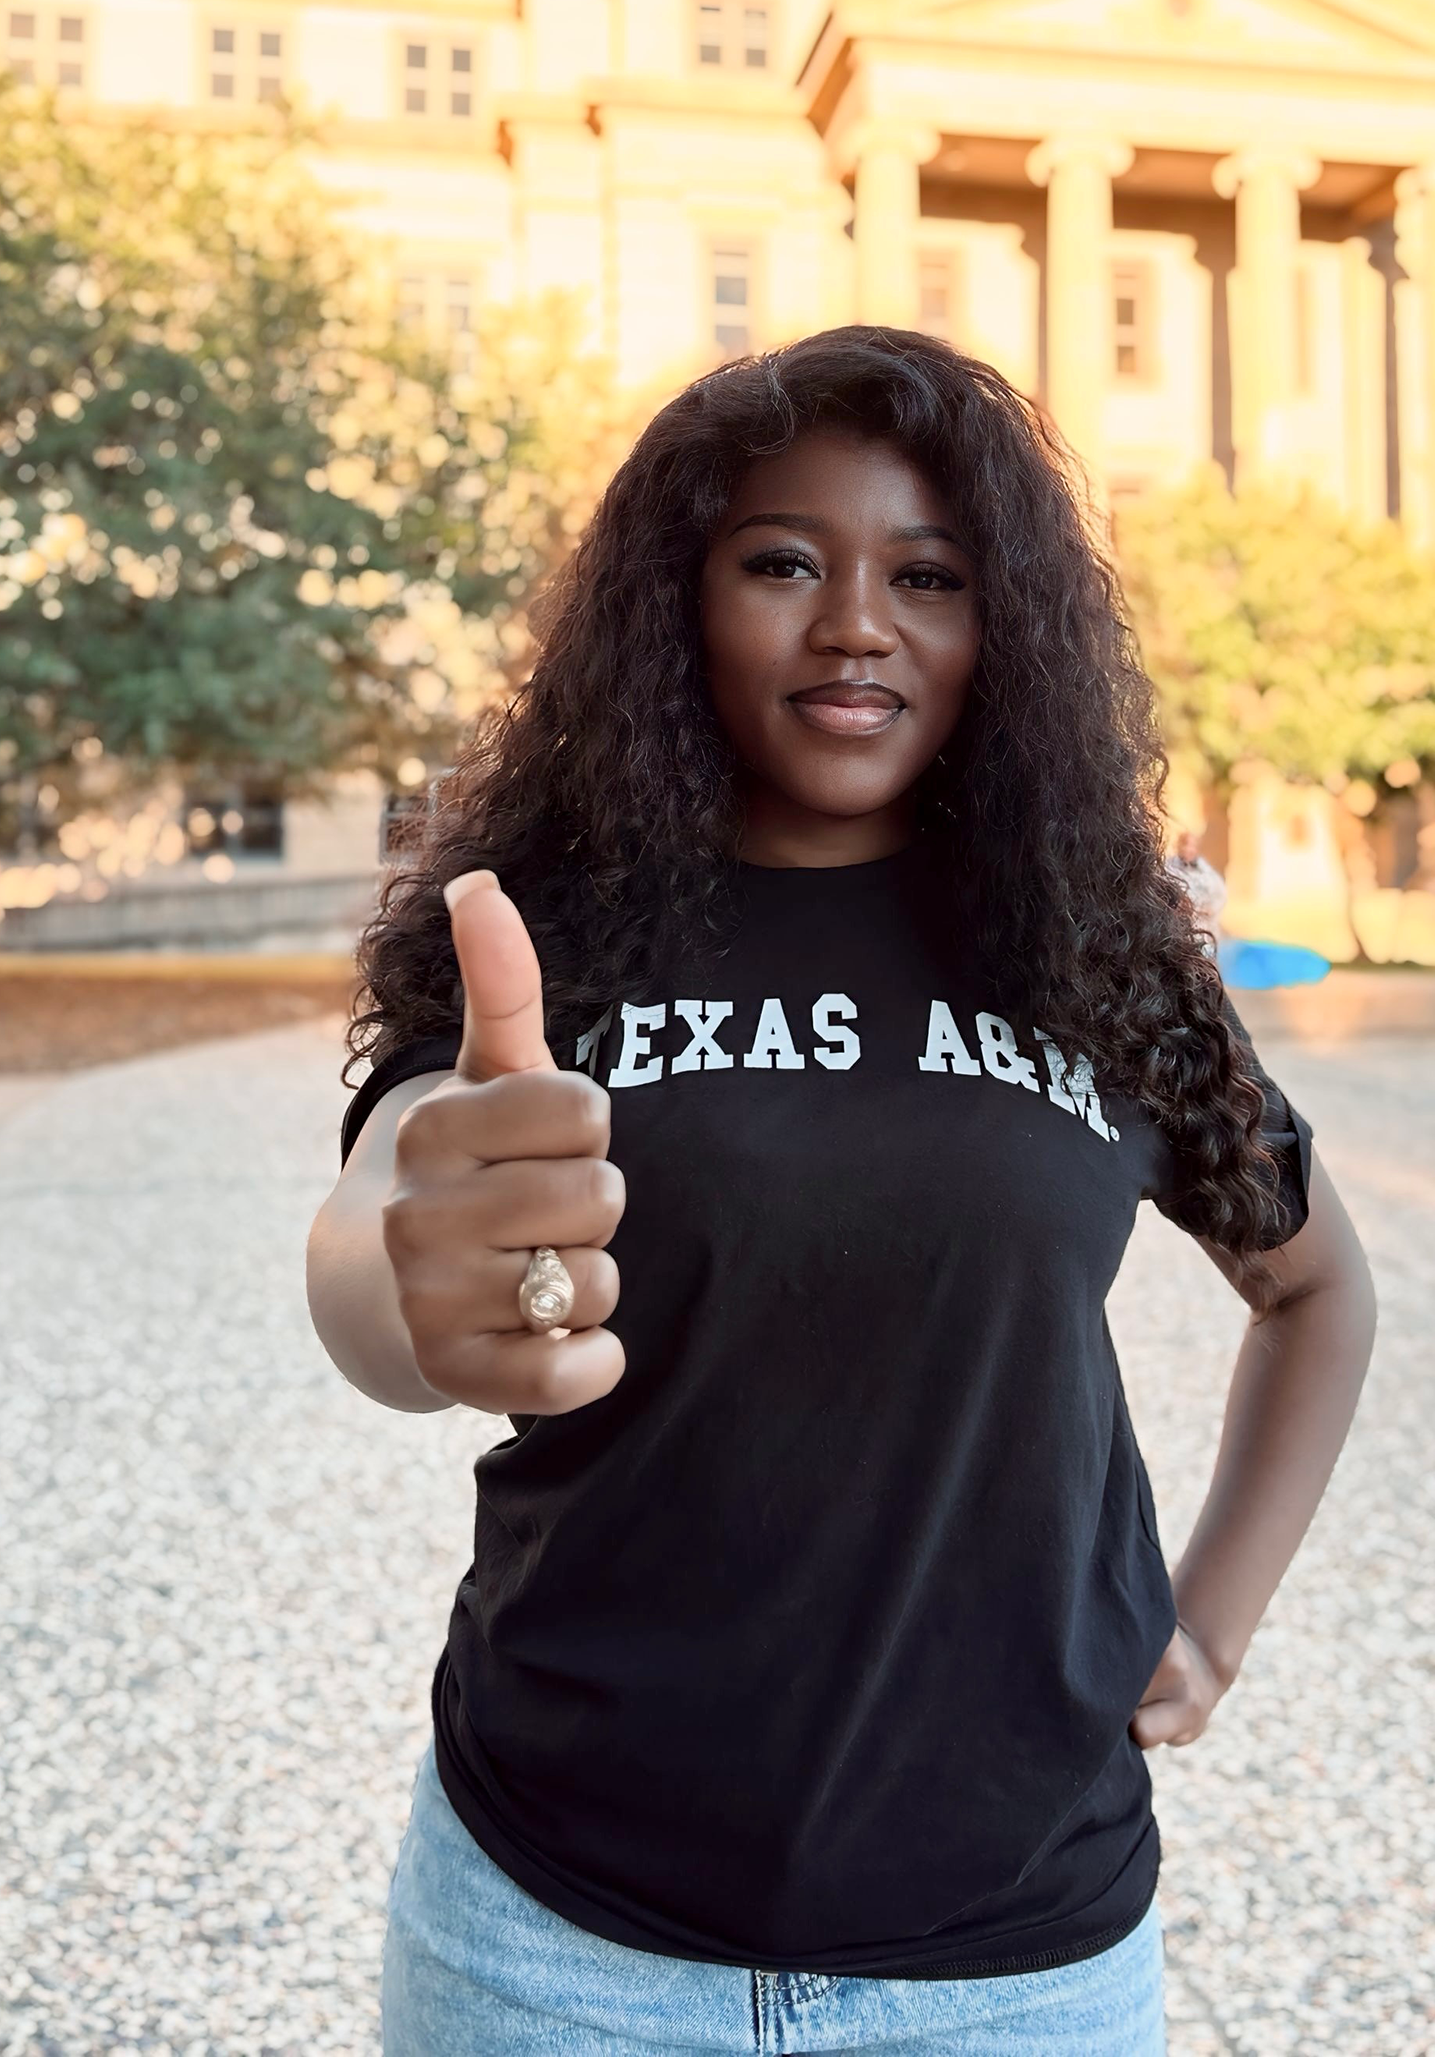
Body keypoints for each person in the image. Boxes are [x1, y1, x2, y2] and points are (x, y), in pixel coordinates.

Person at [307, 328, 1377, 2056]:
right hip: (561, 1935)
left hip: (1017, 1956)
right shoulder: (545, 930)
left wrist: (1212, 1621)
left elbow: (1320, 1290)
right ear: (679, 601)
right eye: (783, 560)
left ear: (1001, 629)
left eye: (929, 574)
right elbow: (389, 1209)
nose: (856, 621)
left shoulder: (1101, 958)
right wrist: (403, 1293)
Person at [1163, 830, 1227, 946]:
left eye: (1192, 846)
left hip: (1205, 930)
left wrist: (1211, 909)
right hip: (1179, 931)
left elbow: (1220, 894)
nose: (1188, 849)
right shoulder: (1168, 869)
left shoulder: (1206, 871)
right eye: (1185, 845)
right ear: (1178, 846)